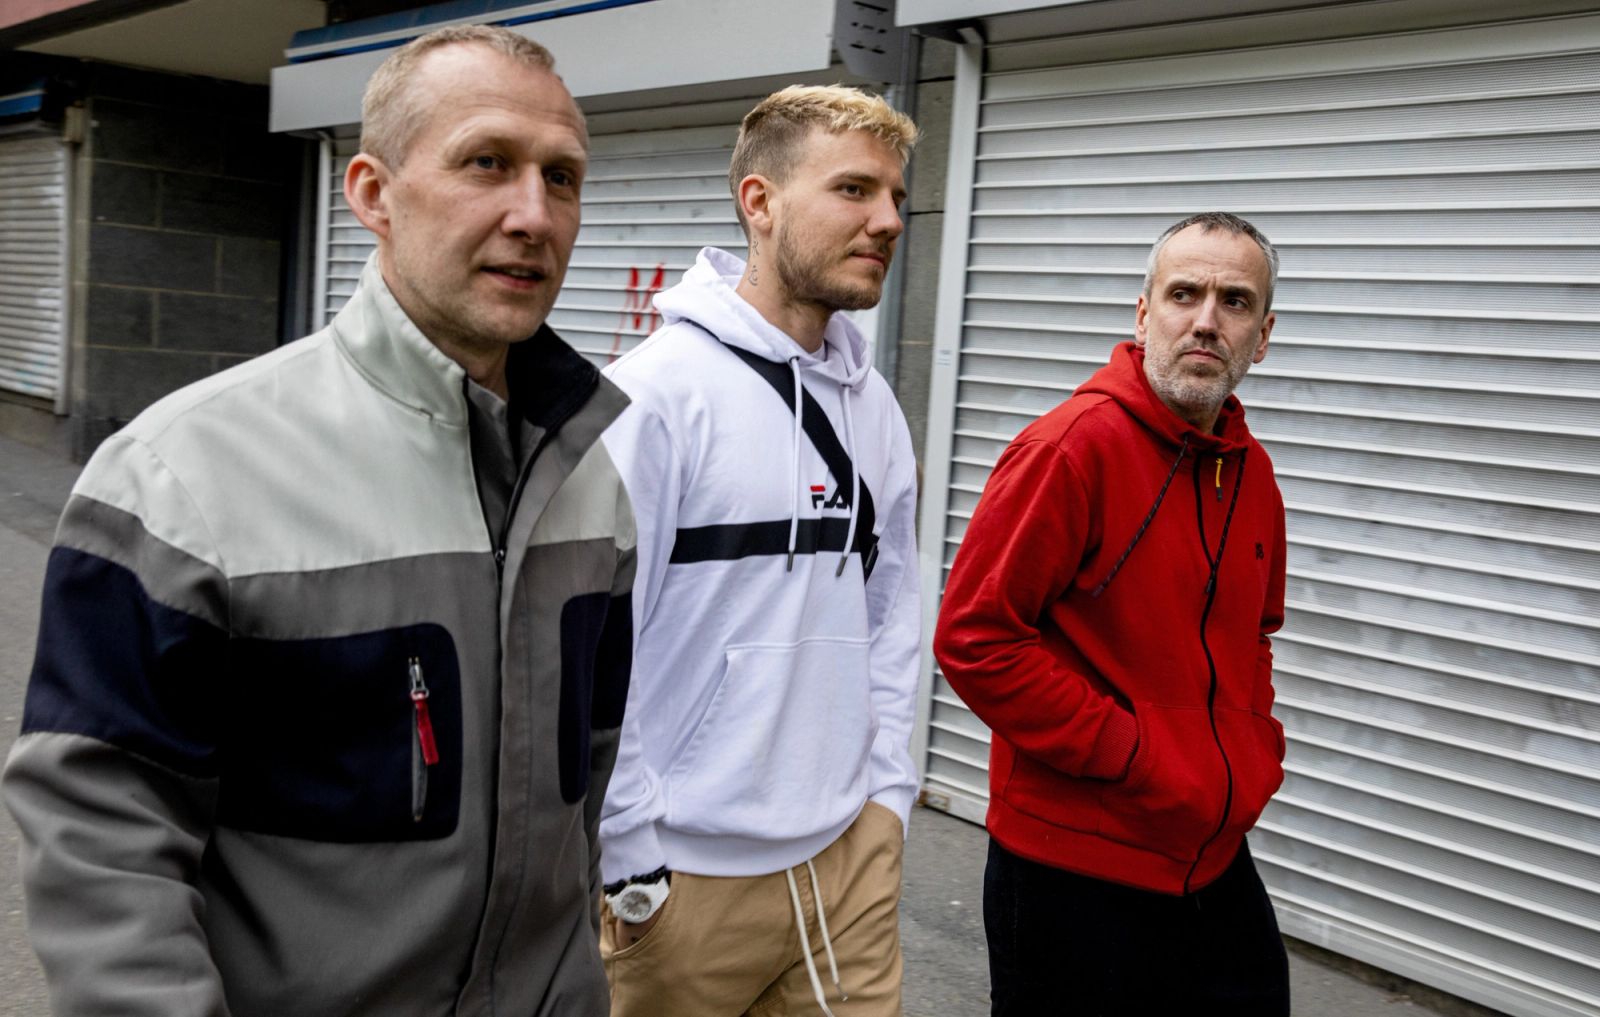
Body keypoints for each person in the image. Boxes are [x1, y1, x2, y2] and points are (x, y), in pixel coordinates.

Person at [2, 25, 636, 1017]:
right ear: (373, 194)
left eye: (562, 178)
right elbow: (102, 836)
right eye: (487, 162)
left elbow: (583, 786)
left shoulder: (591, 476)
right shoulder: (179, 475)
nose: (533, 214)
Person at [596, 86, 922, 1017]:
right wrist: (632, 856)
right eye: (854, 189)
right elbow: (596, 642)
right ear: (760, 201)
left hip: (848, 865)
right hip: (684, 880)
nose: (888, 220)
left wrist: (887, 797)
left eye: (895, 196)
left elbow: (892, 613)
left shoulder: (873, 404)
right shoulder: (654, 397)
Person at [934, 212, 1292, 1016]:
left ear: (1262, 336)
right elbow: (975, 638)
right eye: (1184, 294)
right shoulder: (1070, 449)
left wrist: (1251, 748)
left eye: (1235, 301)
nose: (1207, 320)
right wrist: (1133, 753)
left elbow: (1255, 633)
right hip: (1073, 865)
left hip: (1209, 852)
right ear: (1143, 313)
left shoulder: (1252, 475)